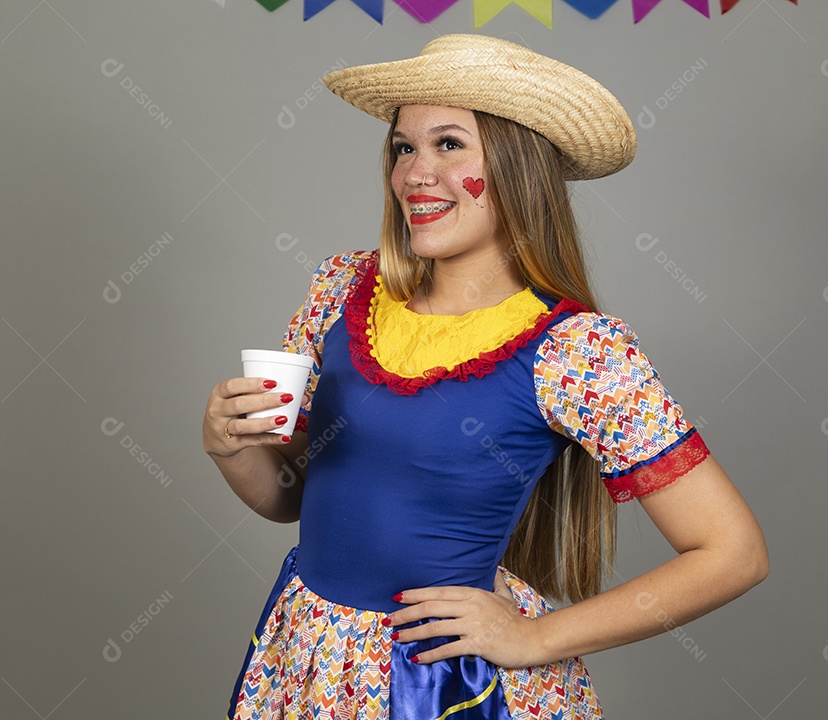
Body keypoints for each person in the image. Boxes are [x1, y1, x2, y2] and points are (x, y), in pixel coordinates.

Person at [203, 33, 769, 719]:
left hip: (445, 682)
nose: (415, 173)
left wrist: (536, 635)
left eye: (448, 145)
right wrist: (233, 451)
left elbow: (732, 552)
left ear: (517, 167)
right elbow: (289, 497)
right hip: (311, 658)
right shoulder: (340, 291)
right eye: (403, 147)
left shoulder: (575, 352)